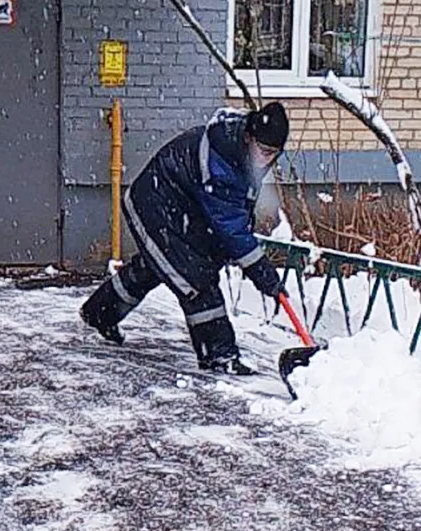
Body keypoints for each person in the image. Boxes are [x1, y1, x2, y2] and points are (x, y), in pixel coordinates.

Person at [80, 102, 290, 375]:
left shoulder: (241, 148)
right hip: (156, 206)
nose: (266, 158)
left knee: (156, 267)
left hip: (179, 207)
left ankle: (100, 312)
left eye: (273, 153)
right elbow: (230, 225)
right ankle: (219, 356)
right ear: (249, 137)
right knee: (195, 280)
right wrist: (262, 272)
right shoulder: (223, 160)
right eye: (262, 150)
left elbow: (233, 214)